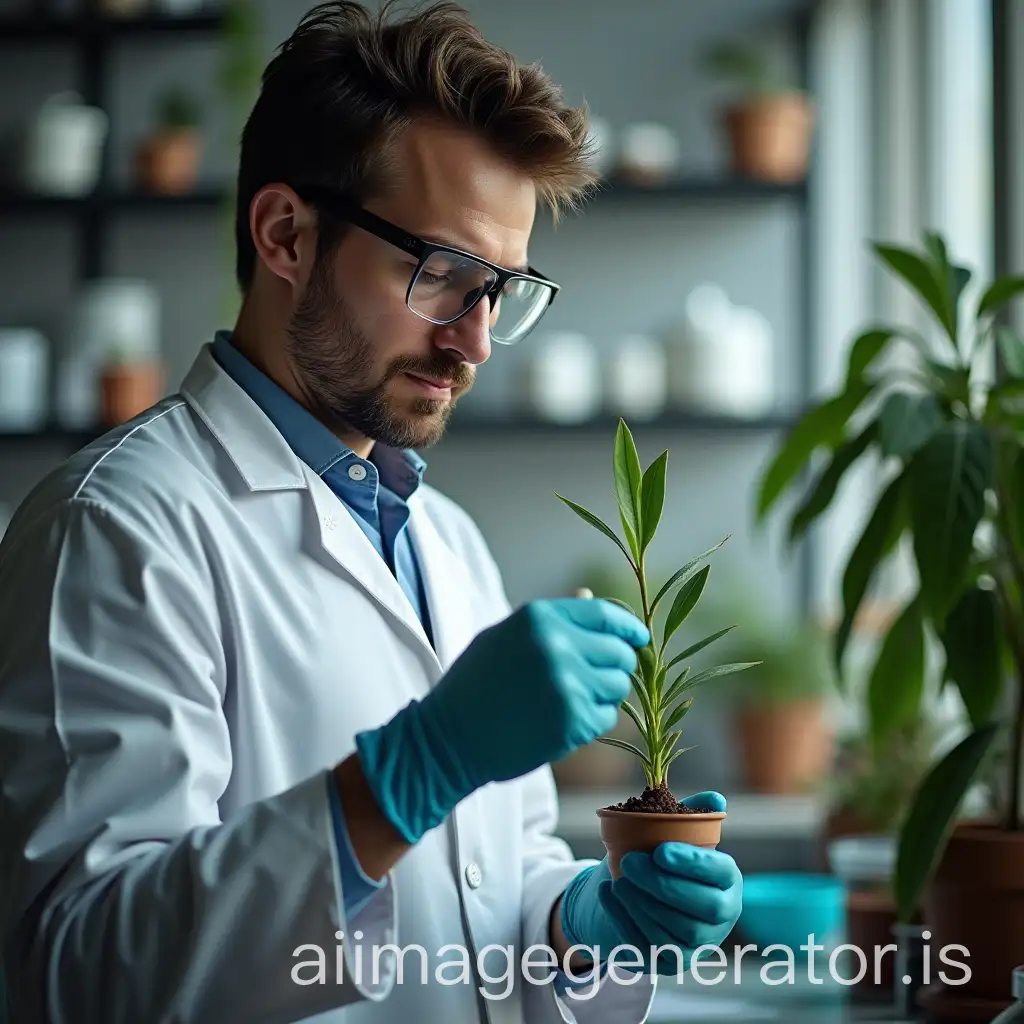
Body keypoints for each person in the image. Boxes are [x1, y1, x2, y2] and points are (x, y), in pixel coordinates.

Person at [0, 3, 743, 1022]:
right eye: (441, 275)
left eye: (504, 290)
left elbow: (486, 899)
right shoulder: (117, 527)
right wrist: (404, 776)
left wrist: (580, 926)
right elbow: (79, 970)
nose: (475, 342)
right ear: (285, 235)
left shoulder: (449, 544)